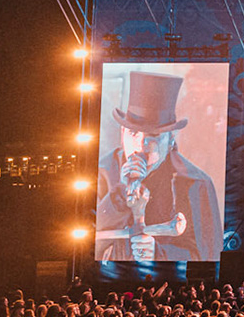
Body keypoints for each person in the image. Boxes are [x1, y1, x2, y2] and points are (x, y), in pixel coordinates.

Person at [95, 70, 222, 262]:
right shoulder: (102, 172)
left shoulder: (195, 183)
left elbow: (207, 255)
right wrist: (120, 195)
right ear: (122, 133)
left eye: (153, 137)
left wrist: (160, 254)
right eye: (133, 133)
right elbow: (84, 243)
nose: (140, 146)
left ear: (171, 139)